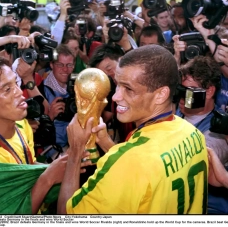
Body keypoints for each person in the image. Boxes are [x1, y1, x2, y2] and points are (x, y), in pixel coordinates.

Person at [57, 44, 209, 214]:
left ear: (161, 94)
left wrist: (75, 152)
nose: (115, 97)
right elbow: (145, 171)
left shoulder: (131, 162)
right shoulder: (193, 133)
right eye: (117, 85)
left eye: (128, 89)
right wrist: (105, 140)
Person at [0, 55, 90, 214]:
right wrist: (48, 177)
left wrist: (63, 164)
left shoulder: (21, 124)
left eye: (16, 83)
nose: (20, 93)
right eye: (7, 89)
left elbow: (26, 169)